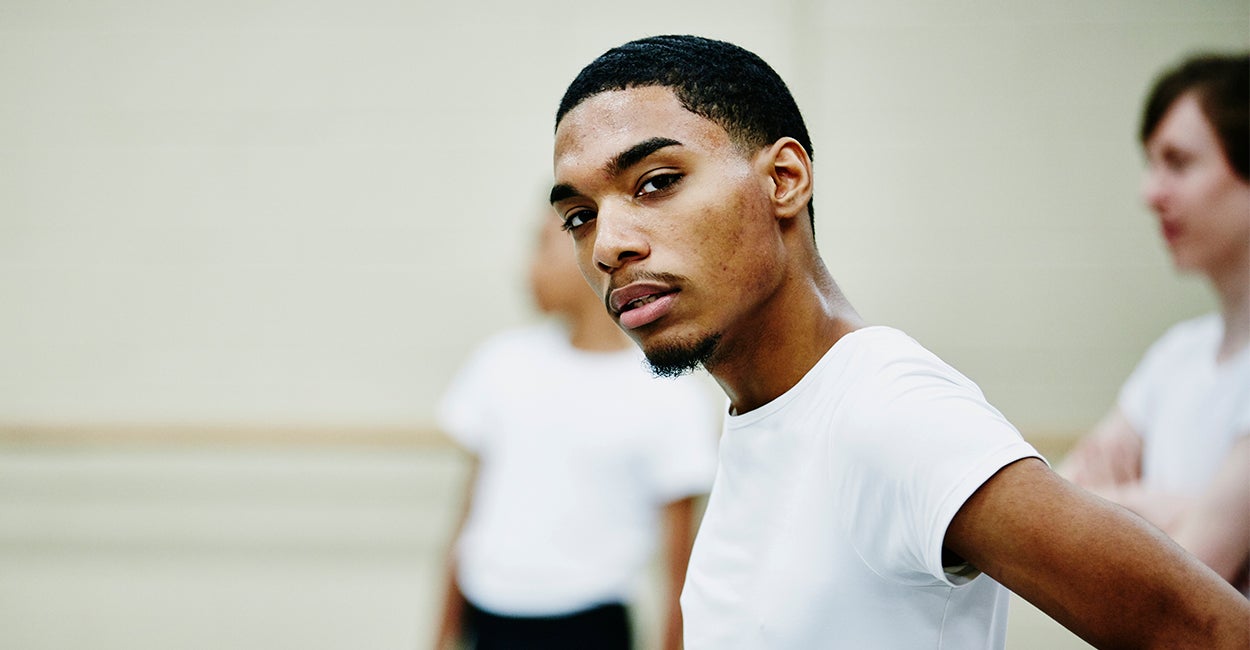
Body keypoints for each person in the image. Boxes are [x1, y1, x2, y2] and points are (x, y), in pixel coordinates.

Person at [549, 35, 1250, 648]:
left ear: (784, 180)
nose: (608, 246)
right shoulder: (767, 413)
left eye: (657, 183)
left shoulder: (890, 410)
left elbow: (1210, 631)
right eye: (579, 216)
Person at [432, 211, 720, 650]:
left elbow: (680, 569)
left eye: (543, 245)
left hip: (590, 625)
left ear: (594, 253)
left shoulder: (667, 394)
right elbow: (469, 519)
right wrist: (442, 636)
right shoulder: (501, 364)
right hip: (489, 617)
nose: (528, 267)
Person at [1059, 53, 1249, 594]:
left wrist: (1114, 506)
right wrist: (1160, 509)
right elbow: (1060, 511)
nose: (1150, 193)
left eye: (1178, 163)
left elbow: (1193, 589)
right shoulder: (1176, 355)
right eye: (1152, 163)